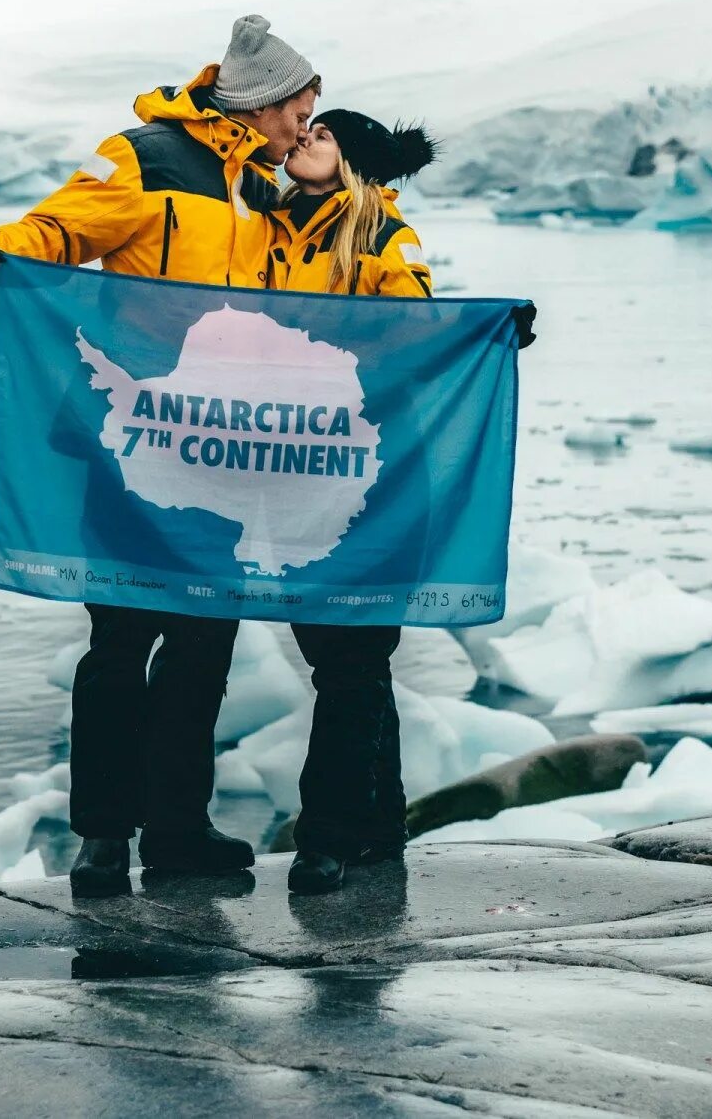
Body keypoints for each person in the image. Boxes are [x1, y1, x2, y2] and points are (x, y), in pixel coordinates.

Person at [0, 15, 320, 896]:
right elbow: (64, 226)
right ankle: (104, 838)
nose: (313, 114)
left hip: (223, 445)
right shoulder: (148, 157)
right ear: (270, 100)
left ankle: (178, 833)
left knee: (203, 646)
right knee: (120, 641)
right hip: (128, 436)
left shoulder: (267, 189)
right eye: (307, 98)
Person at [267, 109, 436, 895]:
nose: (303, 140)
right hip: (299, 468)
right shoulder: (275, 234)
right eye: (305, 132)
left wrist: (489, 336)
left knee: (353, 659)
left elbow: (417, 326)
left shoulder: (383, 239)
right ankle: (380, 825)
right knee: (343, 660)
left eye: (322, 136)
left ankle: (325, 839)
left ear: (357, 165)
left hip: (375, 475)